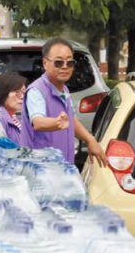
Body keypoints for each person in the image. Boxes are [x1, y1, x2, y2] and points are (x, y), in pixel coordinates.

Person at [21, 37, 107, 167]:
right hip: (42, 170)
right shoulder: (36, 91)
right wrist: (57, 122)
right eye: (59, 63)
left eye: (70, 63)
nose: (65, 67)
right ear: (45, 63)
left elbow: (71, 120)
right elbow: (38, 122)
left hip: (63, 168)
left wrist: (90, 140)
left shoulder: (64, 89)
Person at [0, 72, 27, 146]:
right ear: (3, 93)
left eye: (24, 92)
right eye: (17, 92)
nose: (22, 97)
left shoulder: (15, 115)